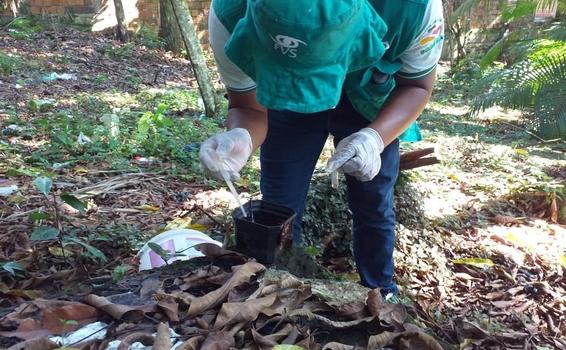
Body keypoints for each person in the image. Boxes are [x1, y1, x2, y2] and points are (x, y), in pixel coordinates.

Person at [200, 0, 444, 296]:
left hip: (368, 96)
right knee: (280, 205)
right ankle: (281, 288)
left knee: (373, 197)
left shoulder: (414, 9)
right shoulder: (230, 14)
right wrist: (241, 135)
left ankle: (381, 289)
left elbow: (417, 86)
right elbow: (248, 107)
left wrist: (374, 138)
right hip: (287, 93)